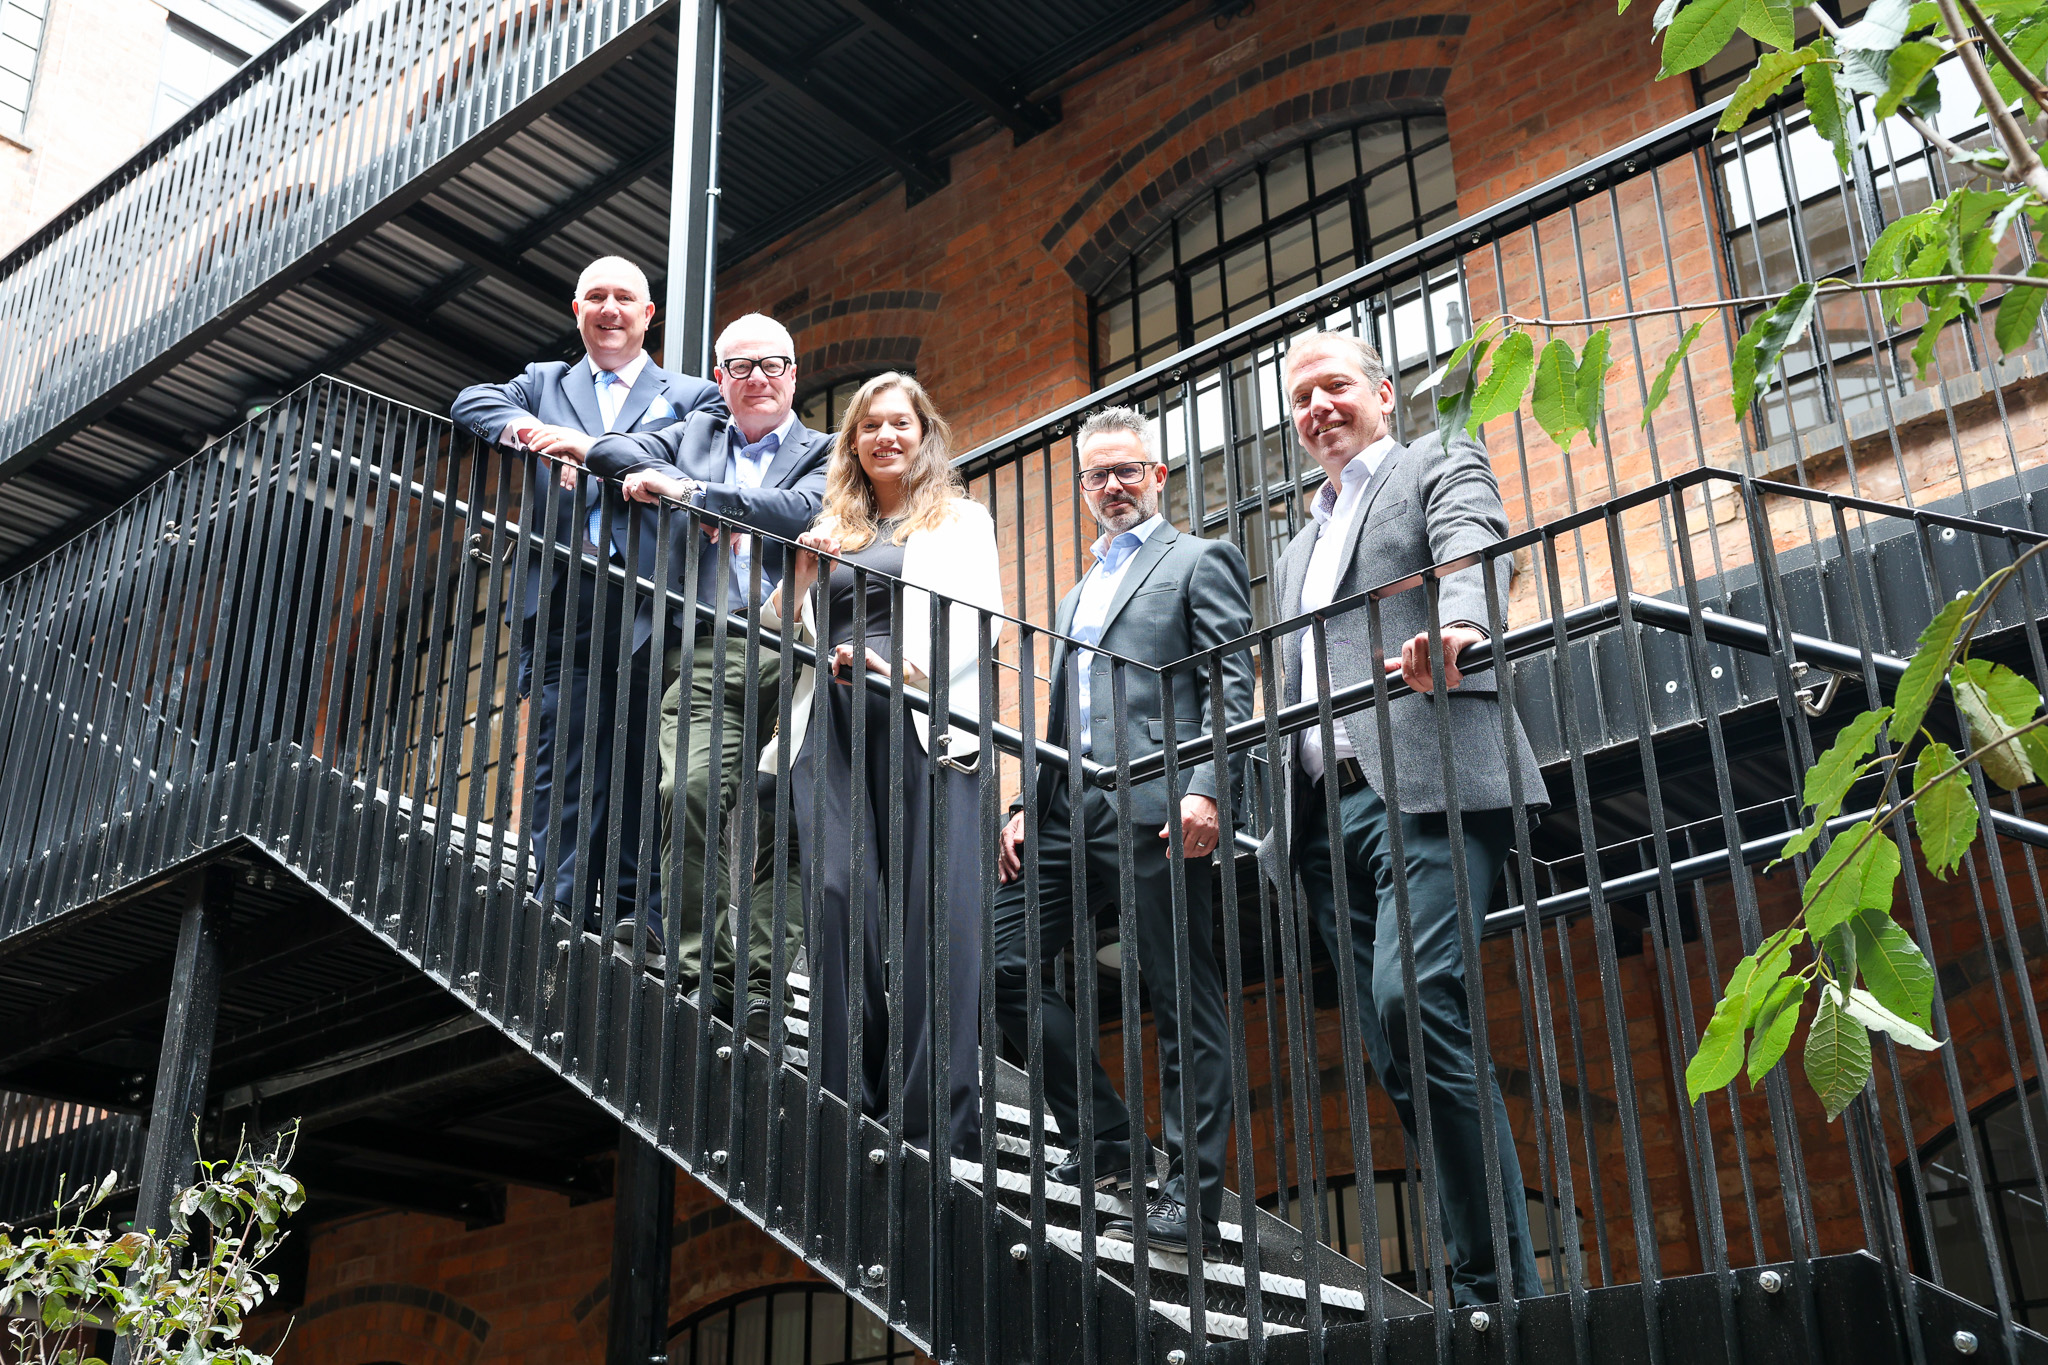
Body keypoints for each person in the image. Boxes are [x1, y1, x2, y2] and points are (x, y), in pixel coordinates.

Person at [1266, 331, 1546, 1306]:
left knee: (1408, 1003)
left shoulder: (1436, 459)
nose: (1318, 408)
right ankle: (1493, 1271)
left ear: (1381, 392)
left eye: (1333, 386)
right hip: (1319, 818)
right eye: (1300, 399)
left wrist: (1462, 625)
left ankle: (1490, 1284)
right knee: (1400, 1049)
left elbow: (1472, 541)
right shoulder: (1296, 544)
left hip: (1425, 779)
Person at [990, 407, 1252, 1254]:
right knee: (1002, 964)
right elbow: (1064, 711)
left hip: (1161, 804)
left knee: (1182, 995)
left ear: (1159, 475)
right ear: (1083, 489)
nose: (1112, 487)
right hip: (1071, 805)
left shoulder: (1199, 561)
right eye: (1097, 476)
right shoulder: (1077, 591)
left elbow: (1230, 687)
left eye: (1127, 471)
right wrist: (1028, 802)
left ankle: (1193, 1195)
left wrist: (1209, 786)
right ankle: (1106, 1139)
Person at [450, 257, 722, 960]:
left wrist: (595, 450)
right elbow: (472, 402)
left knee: (643, 754)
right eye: (596, 297)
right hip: (563, 594)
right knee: (562, 751)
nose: (610, 308)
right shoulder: (543, 383)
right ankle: (560, 898)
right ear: (577, 310)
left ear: (648, 314)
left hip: (648, 601)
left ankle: (637, 909)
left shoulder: (693, 394)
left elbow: (684, 451)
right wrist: (536, 434)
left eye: (624, 297)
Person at [777, 373, 1003, 1158]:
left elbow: (981, 620)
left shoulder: (960, 521)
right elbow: (783, 632)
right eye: (869, 425)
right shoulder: (830, 524)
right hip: (833, 722)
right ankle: (848, 1091)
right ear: (853, 443)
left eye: (899, 422)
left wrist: (894, 665)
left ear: (923, 432)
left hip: (923, 722)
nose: (885, 436)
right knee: (839, 898)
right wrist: (800, 580)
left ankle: (935, 1115)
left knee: (930, 917)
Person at [585, 313, 831, 1018]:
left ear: (794, 372)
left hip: (800, 649)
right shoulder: (692, 434)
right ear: (719, 378)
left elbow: (802, 509)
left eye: (773, 365)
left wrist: (694, 495)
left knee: (785, 814)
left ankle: (760, 980)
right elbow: (607, 448)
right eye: (742, 366)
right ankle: (704, 969)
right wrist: (653, 470)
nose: (759, 378)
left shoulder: (826, 448)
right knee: (688, 791)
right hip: (704, 647)